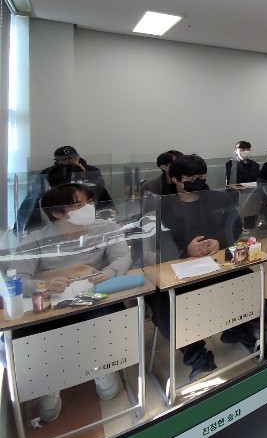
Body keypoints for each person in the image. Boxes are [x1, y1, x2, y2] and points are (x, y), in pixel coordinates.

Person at [12, 183, 133, 421]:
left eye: (89, 202)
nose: (87, 208)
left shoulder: (106, 227)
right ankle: (51, 381)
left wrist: (109, 272)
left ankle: (101, 367)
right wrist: (42, 285)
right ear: (57, 213)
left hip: (92, 294)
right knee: (39, 334)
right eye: (78, 205)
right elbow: (17, 278)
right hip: (53, 300)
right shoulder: (36, 240)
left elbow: (122, 256)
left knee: (107, 319)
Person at [149, 155, 244, 381]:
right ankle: (196, 355)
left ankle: (242, 328)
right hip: (177, 270)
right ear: (175, 179)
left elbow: (235, 225)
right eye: (191, 179)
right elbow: (154, 242)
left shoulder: (217, 199)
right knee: (161, 299)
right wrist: (184, 250)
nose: (199, 182)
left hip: (214, 263)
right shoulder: (162, 206)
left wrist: (220, 241)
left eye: (202, 176)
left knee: (245, 279)